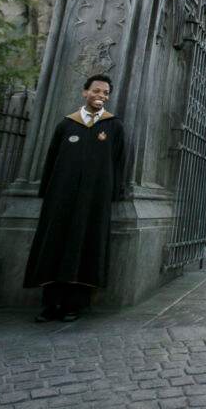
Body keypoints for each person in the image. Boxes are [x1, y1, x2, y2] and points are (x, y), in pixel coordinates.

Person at [23, 74, 125, 323]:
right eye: (97, 91)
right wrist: (47, 192)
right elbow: (50, 160)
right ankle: (50, 304)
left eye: (105, 93)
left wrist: (113, 194)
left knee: (86, 247)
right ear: (85, 92)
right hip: (61, 199)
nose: (101, 96)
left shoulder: (113, 127)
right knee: (55, 246)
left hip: (94, 201)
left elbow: (119, 163)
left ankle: (74, 305)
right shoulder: (66, 125)